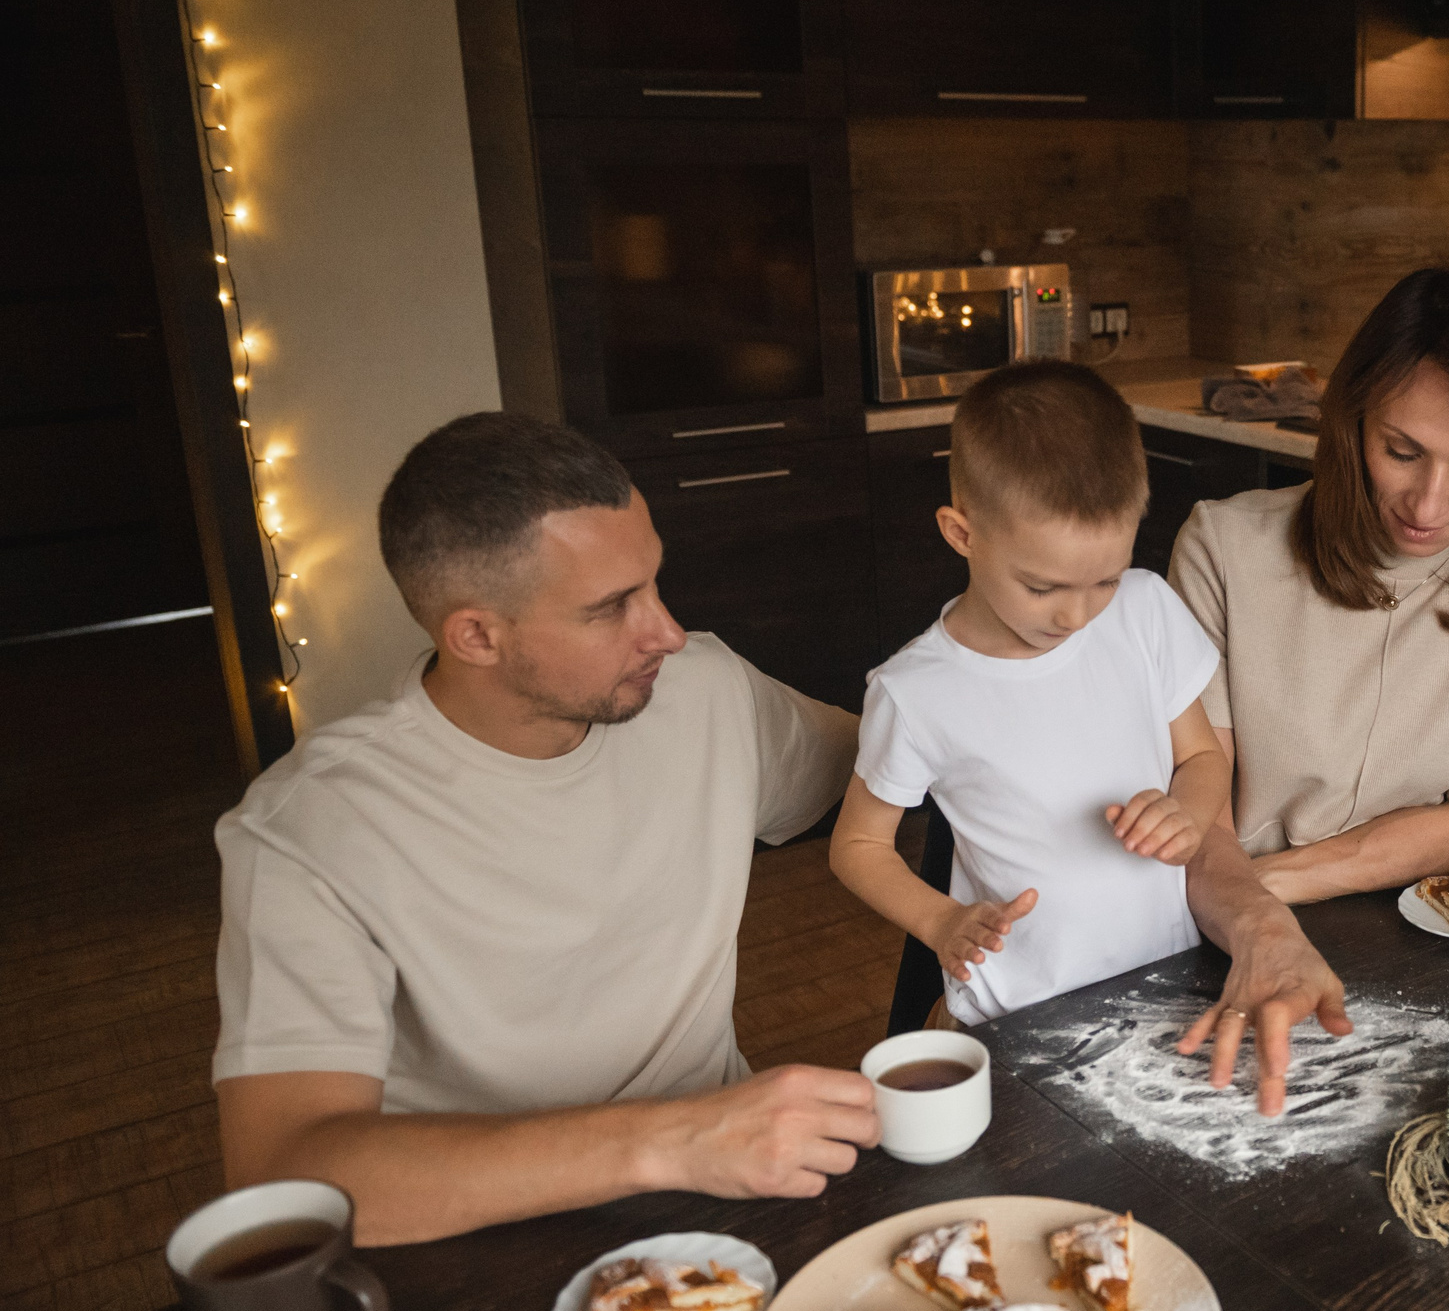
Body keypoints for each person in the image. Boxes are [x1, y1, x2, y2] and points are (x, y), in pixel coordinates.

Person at [213, 414, 880, 1246]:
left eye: (654, 583)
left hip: (725, 1201)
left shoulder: (702, 690)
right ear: (476, 635)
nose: (667, 631)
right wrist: (673, 1140)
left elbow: (900, 763)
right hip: (476, 1235)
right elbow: (284, 1173)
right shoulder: (311, 829)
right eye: (612, 608)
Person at [1167, 256, 1449, 1106]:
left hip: (1409, 935)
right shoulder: (1222, 547)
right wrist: (1254, 918)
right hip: (1217, 928)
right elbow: (1197, 817)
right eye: (1402, 451)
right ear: (1351, 420)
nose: (1428, 503)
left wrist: (1272, 884)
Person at [828, 361, 1231, 1024]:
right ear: (962, 534)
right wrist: (942, 919)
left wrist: (1188, 815)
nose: (1077, 615)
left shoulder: (1145, 611)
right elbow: (859, 846)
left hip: (1162, 978)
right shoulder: (915, 691)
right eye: (1043, 587)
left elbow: (1201, 758)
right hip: (1015, 1009)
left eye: (1104, 578)